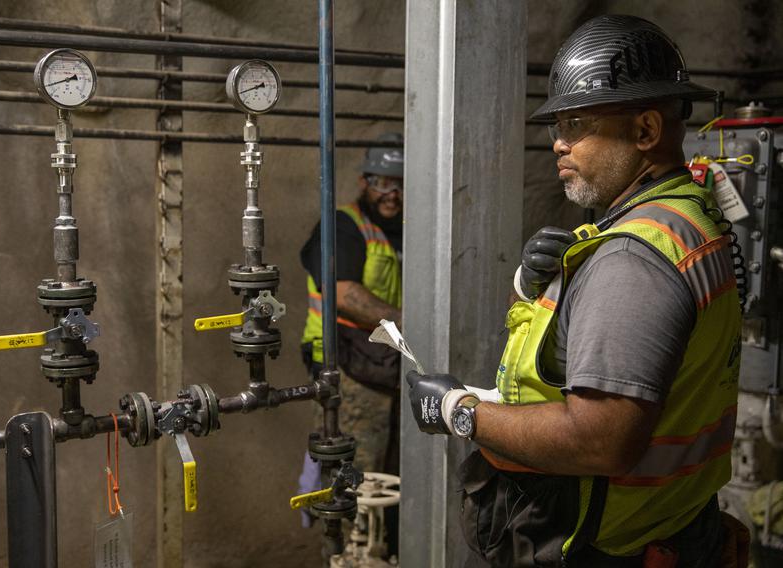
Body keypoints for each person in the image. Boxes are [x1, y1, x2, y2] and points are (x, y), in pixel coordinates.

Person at [406, 15, 744, 567]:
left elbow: (600, 440)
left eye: (577, 123)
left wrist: (456, 411)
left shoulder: (633, 258)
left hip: (605, 547)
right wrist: (541, 287)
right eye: (557, 126)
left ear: (645, 131)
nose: (558, 144)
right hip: (670, 524)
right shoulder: (690, 220)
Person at [299, 133, 404, 478]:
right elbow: (342, 294)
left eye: (401, 184)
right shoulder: (343, 226)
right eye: (384, 183)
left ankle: (385, 533)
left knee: (392, 470)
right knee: (357, 472)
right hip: (343, 362)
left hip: (386, 361)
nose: (393, 195)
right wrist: (410, 321)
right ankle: (350, 532)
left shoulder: (406, 229)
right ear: (364, 182)